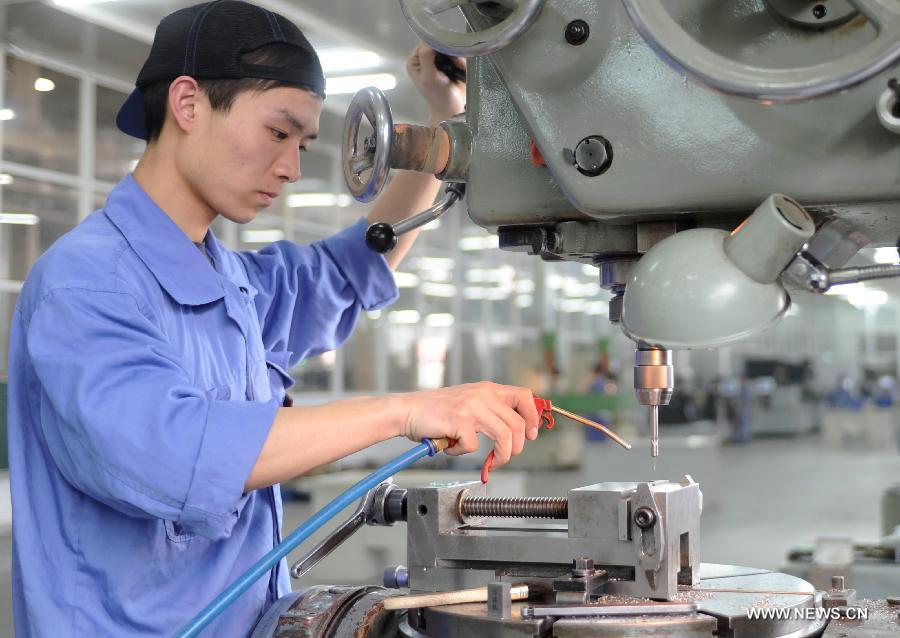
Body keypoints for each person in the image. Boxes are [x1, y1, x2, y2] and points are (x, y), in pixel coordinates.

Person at [7, 2, 540, 635]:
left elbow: (354, 266)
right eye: (277, 133)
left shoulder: (232, 285)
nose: (290, 166)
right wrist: (405, 411)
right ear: (188, 104)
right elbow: (176, 453)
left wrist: (445, 122)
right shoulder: (87, 283)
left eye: (303, 143)